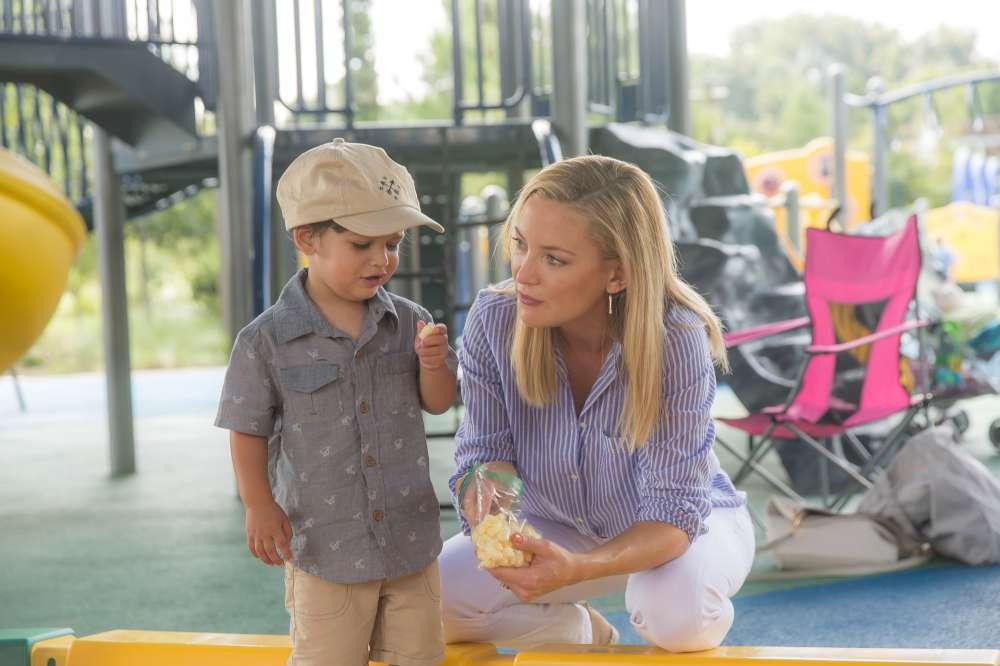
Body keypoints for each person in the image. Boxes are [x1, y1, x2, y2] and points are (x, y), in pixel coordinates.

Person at [441, 155, 754, 652]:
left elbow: (673, 512)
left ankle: (676, 600)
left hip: (677, 528)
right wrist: (497, 531)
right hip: (555, 523)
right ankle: (576, 632)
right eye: (520, 245)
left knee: (677, 616)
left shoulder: (676, 339)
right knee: (431, 601)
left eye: (554, 259)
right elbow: (487, 453)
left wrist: (580, 568)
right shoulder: (494, 318)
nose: (524, 273)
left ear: (617, 274)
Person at [215, 139, 457, 666]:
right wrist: (258, 504)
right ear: (308, 239)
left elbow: (438, 404)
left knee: (419, 656)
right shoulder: (265, 340)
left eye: (393, 243)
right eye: (362, 244)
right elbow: (247, 427)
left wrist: (435, 365)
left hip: (410, 540)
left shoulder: (410, 321)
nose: (382, 259)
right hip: (327, 545)